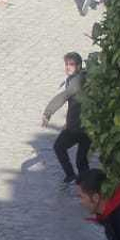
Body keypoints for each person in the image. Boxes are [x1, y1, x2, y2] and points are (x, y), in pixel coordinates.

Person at [40, 52, 90, 185]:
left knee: (76, 157)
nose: (68, 67)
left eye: (71, 64)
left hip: (83, 128)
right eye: (66, 64)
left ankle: (82, 184)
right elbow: (74, 105)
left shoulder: (76, 82)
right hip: (77, 126)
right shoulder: (75, 78)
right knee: (66, 151)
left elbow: (63, 96)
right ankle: (75, 179)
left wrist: (48, 113)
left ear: (78, 66)